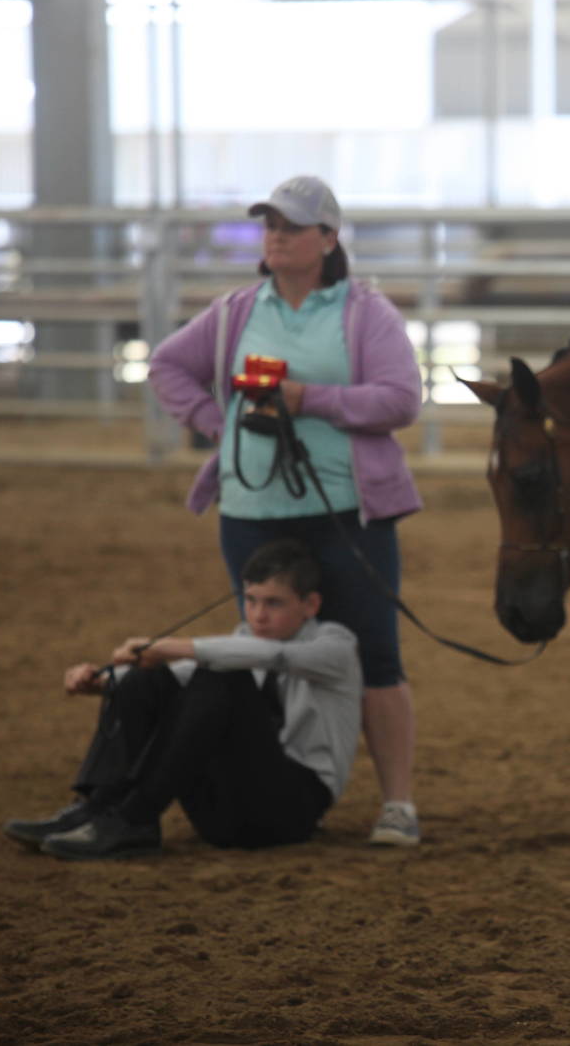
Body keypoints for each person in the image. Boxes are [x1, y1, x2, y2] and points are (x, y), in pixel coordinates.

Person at [147, 175, 425, 847]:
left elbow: (401, 399)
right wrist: (221, 426)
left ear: (328, 240)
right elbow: (166, 365)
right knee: (262, 645)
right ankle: (270, 788)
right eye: (269, 223)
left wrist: (314, 400)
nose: (274, 235)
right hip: (253, 508)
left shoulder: (366, 314)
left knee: (376, 657)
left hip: (347, 511)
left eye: (291, 226)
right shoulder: (237, 310)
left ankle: (398, 803)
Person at [3, 539, 363, 860]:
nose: (258, 615)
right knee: (149, 678)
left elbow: (271, 656)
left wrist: (163, 647)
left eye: (274, 603)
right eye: (250, 600)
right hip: (222, 815)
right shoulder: (241, 641)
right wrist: (101, 681)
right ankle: (97, 808)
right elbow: (179, 678)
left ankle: (135, 818)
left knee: (219, 672)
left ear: (311, 604)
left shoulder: (335, 646)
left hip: (289, 813)